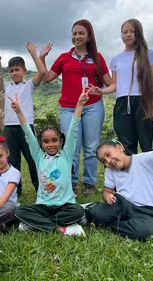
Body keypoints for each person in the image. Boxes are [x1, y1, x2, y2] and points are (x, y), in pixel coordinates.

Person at [40, 19, 112, 196]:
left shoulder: (97, 57)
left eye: (81, 33)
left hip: (93, 106)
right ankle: (70, 182)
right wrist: (41, 57)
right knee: (71, 147)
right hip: (69, 108)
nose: (76, 36)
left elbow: (111, 84)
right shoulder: (64, 57)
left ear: (89, 36)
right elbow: (46, 77)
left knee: (91, 147)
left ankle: (89, 183)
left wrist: (100, 91)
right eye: (74, 33)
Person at [11, 89, 89, 236]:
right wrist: (19, 112)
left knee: (78, 211)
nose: (50, 144)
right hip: (43, 206)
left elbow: (73, 130)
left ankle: (38, 224)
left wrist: (79, 104)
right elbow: (28, 133)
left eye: (54, 140)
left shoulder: (66, 155)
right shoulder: (39, 156)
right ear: (41, 144)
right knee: (20, 210)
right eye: (46, 141)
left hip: (66, 206)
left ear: (60, 142)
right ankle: (61, 228)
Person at [88, 19, 153, 154]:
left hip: (144, 102)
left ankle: (150, 175)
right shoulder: (116, 59)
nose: (128, 35)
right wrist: (101, 91)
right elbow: (114, 85)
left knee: (148, 144)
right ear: (121, 34)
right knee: (127, 145)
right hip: (122, 104)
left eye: (132, 32)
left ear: (138, 33)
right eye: (124, 32)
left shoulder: (148, 54)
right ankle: (131, 175)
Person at [84, 138, 153, 241]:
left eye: (108, 154)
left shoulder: (145, 159)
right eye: (104, 161)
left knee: (144, 232)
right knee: (95, 213)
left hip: (144, 210)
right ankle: (91, 210)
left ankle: (110, 224)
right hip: (121, 204)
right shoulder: (110, 170)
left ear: (119, 148)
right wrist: (107, 196)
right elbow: (107, 191)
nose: (108, 161)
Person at [1, 42, 46, 196]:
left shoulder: (29, 86)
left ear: (24, 70)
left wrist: (34, 53)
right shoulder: (6, 86)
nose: (14, 73)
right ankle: (16, 192)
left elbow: (42, 71)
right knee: (12, 161)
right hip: (9, 127)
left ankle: (40, 188)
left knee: (33, 159)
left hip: (26, 127)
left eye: (17, 70)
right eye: (11, 71)